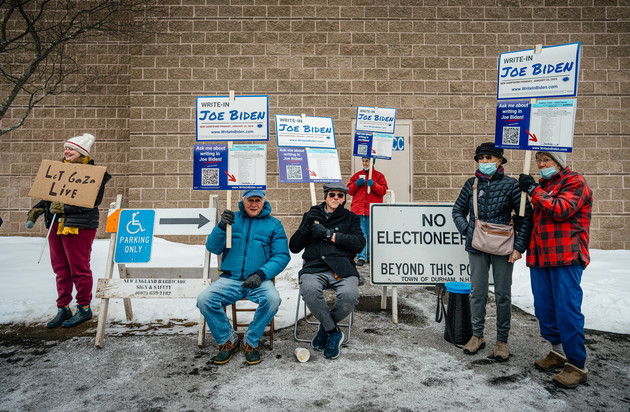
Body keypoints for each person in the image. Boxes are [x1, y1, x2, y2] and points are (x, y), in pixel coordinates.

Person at [519, 151, 593, 389]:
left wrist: (533, 191)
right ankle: (558, 351)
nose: (541, 164)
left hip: (566, 256)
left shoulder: (575, 181)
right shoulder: (543, 185)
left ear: (559, 163)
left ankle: (576, 364)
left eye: (546, 160)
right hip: (540, 256)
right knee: (544, 308)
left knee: (566, 309)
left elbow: (561, 209)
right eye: (539, 160)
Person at [452, 142, 532, 361]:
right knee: (477, 293)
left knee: (502, 295)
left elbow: (525, 218)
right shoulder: (472, 184)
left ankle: (502, 341)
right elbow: (458, 210)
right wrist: (467, 229)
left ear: (499, 161)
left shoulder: (511, 185)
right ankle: (477, 336)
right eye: (481, 158)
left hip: (503, 248)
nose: (485, 162)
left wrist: (519, 248)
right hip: (477, 245)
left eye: (489, 158)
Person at [25, 133, 111, 328]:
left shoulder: (93, 174)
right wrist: (38, 209)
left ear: (81, 153)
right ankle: (63, 307)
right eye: (65, 148)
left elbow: (92, 203)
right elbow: (50, 196)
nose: (66, 151)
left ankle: (84, 308)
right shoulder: (58, 171)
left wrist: (65, 208)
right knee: (61, 269)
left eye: (71, 149)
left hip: (79, 226)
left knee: (79, 268)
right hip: (56, 225)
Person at [197, 190, 290, 365]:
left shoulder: (274, 225)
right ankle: (228, 340)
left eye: (258, 200)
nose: (254, 204)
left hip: (258, 280)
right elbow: (212, 247)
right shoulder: (232, 220)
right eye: (250, 200)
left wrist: (261, 274)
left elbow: (281, 256)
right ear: (243, 201)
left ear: (264, 202)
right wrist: (221, 227)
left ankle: (251, 341)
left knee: (272, 299)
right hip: (230, 279)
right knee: (204, 300)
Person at [289, 182, 365, 359]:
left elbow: (359, 243)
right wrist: (306, 226)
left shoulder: (350, 218)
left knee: (349, 296)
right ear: (325, 196)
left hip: (342, 268)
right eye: (332, 195)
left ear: (345, 198)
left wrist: (330, 235)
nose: (336, 198)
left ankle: (325, 328)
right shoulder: (312, 215)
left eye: (340, 195)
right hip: (314, 268)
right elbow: (294, 247)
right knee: (308, 290)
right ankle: (334, 331)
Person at [347, 157, 388, 266]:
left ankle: (371, 256)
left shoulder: (379, 176)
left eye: (367, 161)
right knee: (361, 234)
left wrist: (373, 185)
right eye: (363, 161)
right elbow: (349, 191)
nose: (365, 163)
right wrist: (356, 184)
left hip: (372, 210)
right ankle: (361, 256)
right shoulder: (357, 175)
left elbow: (383, 191)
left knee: (371, 234)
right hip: (359, 210)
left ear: (372, 162)